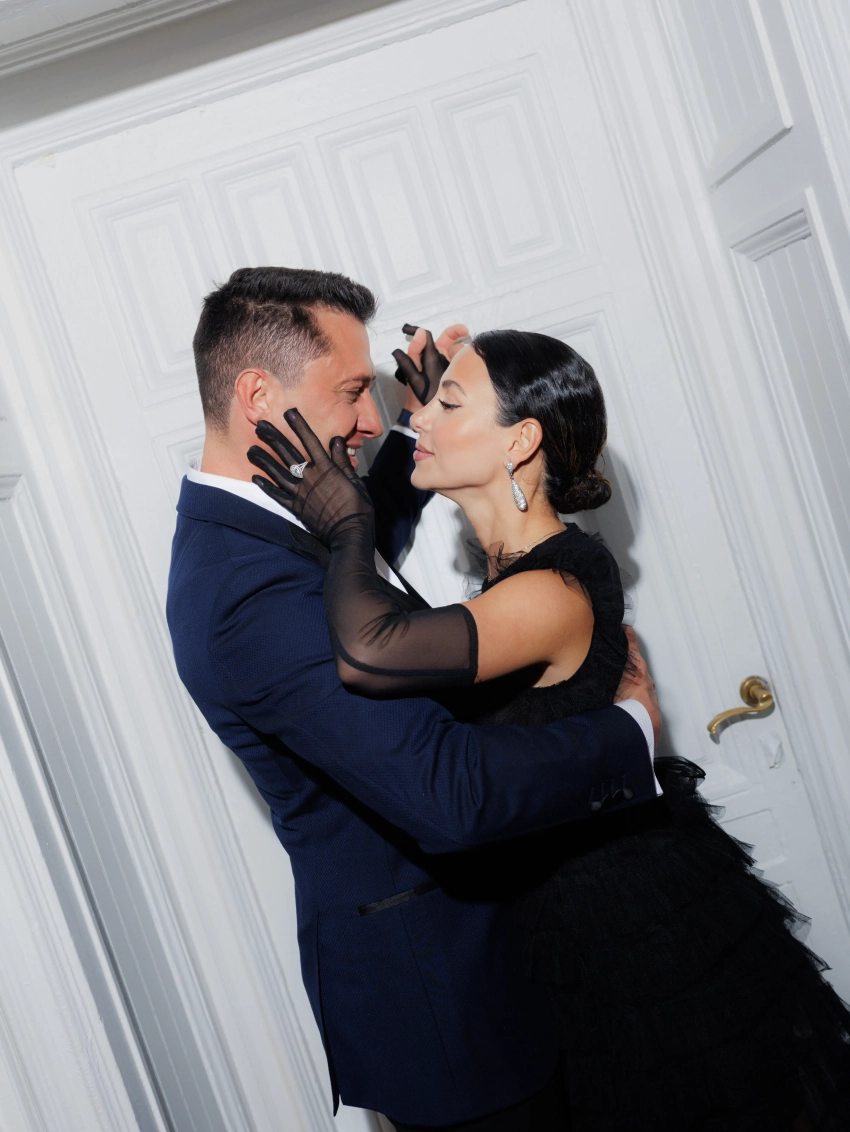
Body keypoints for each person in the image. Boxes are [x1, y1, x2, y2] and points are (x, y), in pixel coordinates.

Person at [249, 327, 850, 1131]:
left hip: (628, 928)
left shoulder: (549, 591)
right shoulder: (515, 571)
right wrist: (433, 415)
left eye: (448, 405)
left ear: (520, 440)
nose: (417, 417)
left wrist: (350, 527)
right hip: (566, 921)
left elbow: (369, 648)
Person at [167, 267, 663, 1130]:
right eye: (352, 392)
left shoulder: (266, 526)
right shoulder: (248, 597)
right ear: (258, 395)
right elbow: (449, 792)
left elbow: (357, 565)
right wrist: (631, 733)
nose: (371, 417)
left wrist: (414, 439)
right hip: (447, 1006)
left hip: (482, 962)